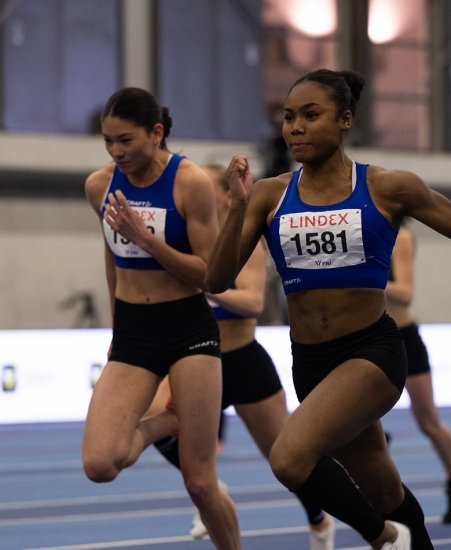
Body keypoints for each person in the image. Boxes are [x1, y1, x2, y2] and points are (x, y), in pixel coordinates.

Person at [206, 69, 451, 550]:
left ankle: (382, 540)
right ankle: (410, 539)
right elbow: (214, 281)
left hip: (371, 353)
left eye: (310, 116)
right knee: (382, 488)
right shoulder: (270, 195)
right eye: (289, 117)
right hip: (310, 362)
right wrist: (236, 207)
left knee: (289, 459)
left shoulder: (386, 186)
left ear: (345, 120)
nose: (294, 127)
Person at [144, 163, 336, 550]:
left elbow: (252, 302)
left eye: (208, 189)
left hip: (242, 361)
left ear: (227, 195)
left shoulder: (245, 240)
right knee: (149, 419)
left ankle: (319, 519)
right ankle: (210, 486)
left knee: (286, 461)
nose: (199, 195)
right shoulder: (187, 241)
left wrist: (207, 287)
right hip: (195, 359)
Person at [80, 87, 240, 549]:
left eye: (125, 140)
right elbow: (112, 256)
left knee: (200, 483)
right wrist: (115, 326)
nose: (115, 152)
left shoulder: (190, 183)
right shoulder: (99, 186)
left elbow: (213, 276)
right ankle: (162, 425)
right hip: (134, 330)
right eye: (107, 141)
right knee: (100, 463)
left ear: (156, 133)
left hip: (187, 328)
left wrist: (147, 239)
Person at [385, 222, 451, 524]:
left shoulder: (401, 236)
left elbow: (405, 293)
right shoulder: (355, 230)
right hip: (367, 336)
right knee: (359, 420)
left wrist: (365, 276)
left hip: (403, 335)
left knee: (428, 421)